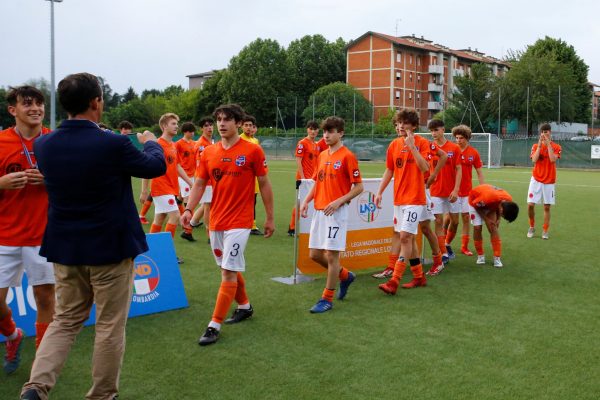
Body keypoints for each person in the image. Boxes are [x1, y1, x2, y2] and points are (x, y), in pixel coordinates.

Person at [20, 72, 166, 400]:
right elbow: (154, 167)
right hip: (110, 249)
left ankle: (36, 387)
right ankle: (102, 395)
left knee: (65, 320)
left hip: (66, 249)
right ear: (95, 102)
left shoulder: (43, 144)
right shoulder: (112, 143)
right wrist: (152, 142)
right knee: (109, 326)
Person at [182, 104, 274, 346]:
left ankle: (214, 325)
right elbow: (200, 184)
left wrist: (270, 217)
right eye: (219, 119)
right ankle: (245, 306)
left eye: (227, 119)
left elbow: (264, 183)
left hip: (241, 221)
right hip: (217, 222)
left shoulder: (252, 151)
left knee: (228, 271)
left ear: (238, 122)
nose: (222, 124)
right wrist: (189, 209)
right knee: (227, 266)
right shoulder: (209, 153)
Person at [0, 86, 55, 375]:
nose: (35, 108)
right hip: (4, 235)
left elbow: (76, 184)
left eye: (39, 103)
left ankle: (42, 364)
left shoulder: (54, 141)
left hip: (43, 234)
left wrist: (50, 180)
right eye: (27, 104)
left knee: (45, 298)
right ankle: (12, 335)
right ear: (13, 110)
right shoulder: (1, 142)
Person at [300, 117, 363, 313]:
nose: (326, 135)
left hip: (336, 213)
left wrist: (338, 201)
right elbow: (317, 183)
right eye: (325, 131)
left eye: (331, 131)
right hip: (319, 211)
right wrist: (306, 201)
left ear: (341, 133)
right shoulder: (322, 155)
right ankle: (345, 276)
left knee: (332, 256)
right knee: (315, 255)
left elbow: (359, 187)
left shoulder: (347, 156)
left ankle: (326, 298)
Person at [371, 120, 447, 279]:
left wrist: (433, 175)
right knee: (399, 232)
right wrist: (379, 192)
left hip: (420, 193)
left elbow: (443, 156)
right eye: (397, 124)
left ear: (412, 126)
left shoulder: (424, 142)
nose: (399, 127)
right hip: (403, 196)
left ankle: (438, 260)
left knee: (424, 228)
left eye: (403, 124)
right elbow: (390, 170)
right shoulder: (394, 144)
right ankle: (392, 268)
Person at [140, 113, 193, 246]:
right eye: (173, 124)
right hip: (161, 188)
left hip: (171, 188)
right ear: (164, 126)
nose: (177, 126)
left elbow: (177, 166)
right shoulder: (156, 144)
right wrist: (144, 190)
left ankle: (152, 251)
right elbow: (146, 166)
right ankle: (168, 252)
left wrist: (191, 183)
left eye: (177, 124)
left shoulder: (173, 145)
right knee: (175, 216)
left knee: (159, 219)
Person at [427, 119, 462, 265]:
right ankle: (443, 253)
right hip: (434, 191)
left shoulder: (454, 148)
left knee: (455, 221)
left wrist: (456, 189)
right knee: (439, 222)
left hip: (451, 192)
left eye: (436, 130)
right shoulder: (429, 147)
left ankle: (446, 243)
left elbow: (459, 169)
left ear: (443, 129)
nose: (434, 133)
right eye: (432, 131)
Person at [449, 125, 485, 256]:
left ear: (467, 138)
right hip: (451, 191)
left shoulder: (473, 153)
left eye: (461, 138)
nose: (458, 140)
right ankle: (445, 244)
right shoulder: (451, 151)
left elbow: (480, 173)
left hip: (466, 192)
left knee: (465, 218)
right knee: (450, 220)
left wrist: (482, 189)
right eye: (456, 138)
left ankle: (464, 246)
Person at [468, 184, 519, 268]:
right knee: (477, 228)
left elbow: (499, 206)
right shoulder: (489, 198)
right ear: (502, 209)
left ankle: (497, 257)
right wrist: (486, 219)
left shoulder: (508, 200)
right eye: (503, 216)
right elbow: (476, 206)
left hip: (491, 203)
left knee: (493, 227)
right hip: (475, 201)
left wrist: (498, 218)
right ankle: (480, 256)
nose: (502, 216)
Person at [527, 123, 561, 240]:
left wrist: (549, 145)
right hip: (536, 179)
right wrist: (541, 146)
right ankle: (531, 227)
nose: (544, 134)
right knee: (530, 205)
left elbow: (552, 159)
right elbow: (534, 160)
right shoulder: (535, 146)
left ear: (550, 132)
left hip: (549, 181)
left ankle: (545, 230)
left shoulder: (557, 147)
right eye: (542, 132)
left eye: (546, 132)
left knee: (546, 207)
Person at [288, 120, 320, 237]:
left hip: (313, 179)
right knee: (300, 202)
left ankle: (308, 228)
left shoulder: (316, 145)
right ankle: (292, 228)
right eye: (311, 129)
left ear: (318, 131)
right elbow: (298, 160)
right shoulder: (302, 143)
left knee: (310, 203)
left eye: (315, 129)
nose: (313, 131)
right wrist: (302, 178)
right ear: (307, 129)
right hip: (304, 179)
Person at [189, 117, 215, 238]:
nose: (209, 127)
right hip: (205, 180)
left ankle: (190, 226)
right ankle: (210, 235)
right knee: (208, 205)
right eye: (206, 126)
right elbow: (201, 165)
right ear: (201, 129)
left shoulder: (211, 141)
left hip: (211, 179)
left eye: (211, 125)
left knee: (206, 204)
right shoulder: (201, 145)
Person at [240, 115, 263, 235]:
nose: (249, 128)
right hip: (241, 178)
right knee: (240, 202)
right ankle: (241, 224)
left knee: (252, 201)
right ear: (241, 126)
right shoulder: (239, 139)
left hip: (253, 178)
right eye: (246, 125)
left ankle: (252, 225)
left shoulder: (255, 141)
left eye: (251, 125)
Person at [175, 122, 197, 241]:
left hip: (193, 174)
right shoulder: (178, 144)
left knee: (181, 197)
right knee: (189, 199)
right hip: (183, 175)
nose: (193, 133)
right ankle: (187, 230)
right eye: (190, 131)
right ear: (185, 132)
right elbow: (176, 162)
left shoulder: (194, 144)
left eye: (193, 131)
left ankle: (181, 216)